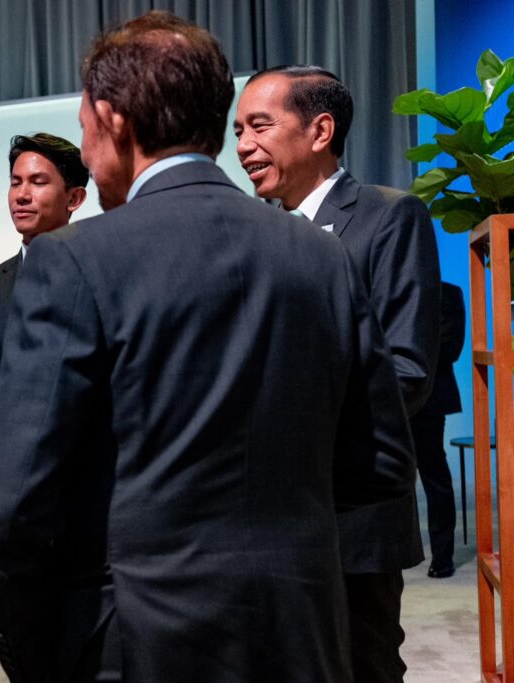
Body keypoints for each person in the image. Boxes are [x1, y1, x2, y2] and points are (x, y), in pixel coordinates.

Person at [0, 11, 418, 681]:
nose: (86, 146)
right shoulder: (323, 255)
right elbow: (381, 463)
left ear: (114, 119)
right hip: (302, 630)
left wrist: (38, 653)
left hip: (138, 637)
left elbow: (12, 507)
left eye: (85, 126)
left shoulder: (73, 259)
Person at [234, 65, 441, 682]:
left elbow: (406, 371)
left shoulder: (389, 216)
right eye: (238, 131)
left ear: (320, 130)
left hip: (349, 514)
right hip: (260, 520)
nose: (243, 145)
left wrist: (278, 419)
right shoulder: (251, 235)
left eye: (259, 126)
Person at [0, 133, 88, 505]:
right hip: (11, 494)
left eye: (38, 182)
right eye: (16, 183)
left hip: (94, 490)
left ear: (74, 198)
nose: (21, 195)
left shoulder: (105, 271)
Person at [413, 282, 466, 578]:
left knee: (434, 476)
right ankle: (399, 552)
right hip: (390, 394)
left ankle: (442, 557)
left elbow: (451, 349)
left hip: (430, 395)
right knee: (391, 476)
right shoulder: (388, 286)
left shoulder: (448, 293)